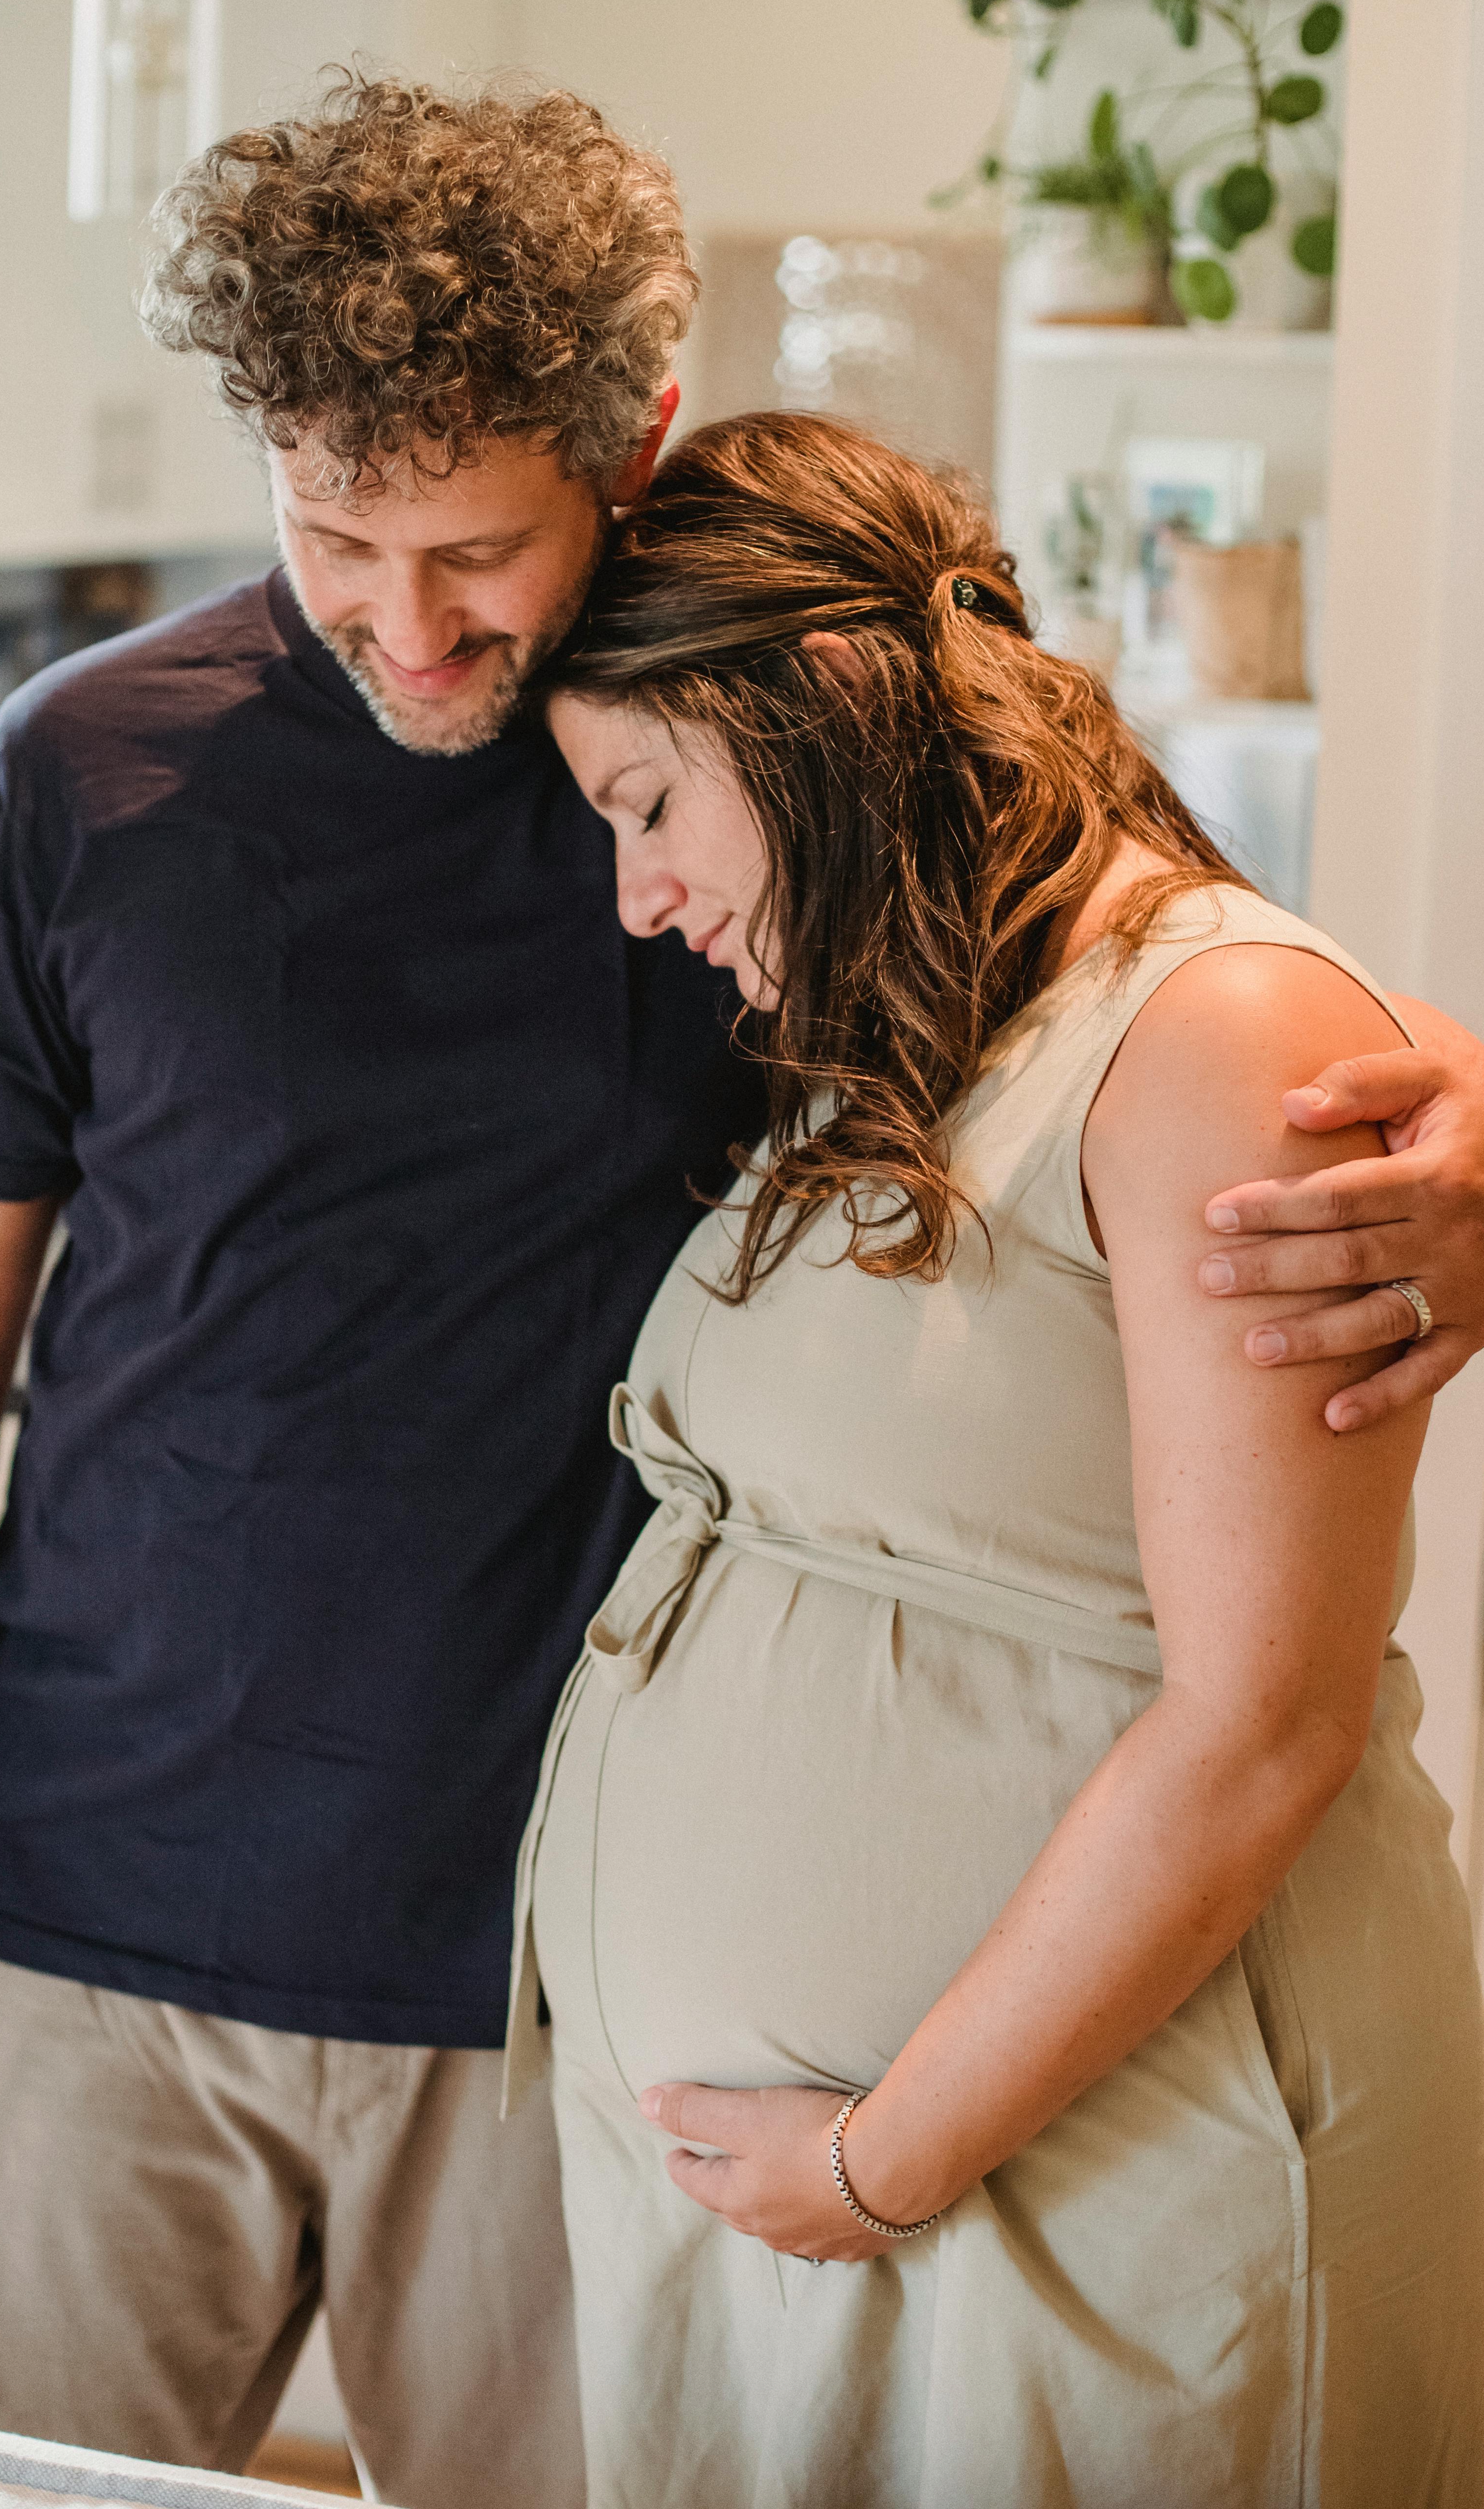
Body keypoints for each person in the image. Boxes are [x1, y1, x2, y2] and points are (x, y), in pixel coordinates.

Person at [0, 78, 1484, 2496]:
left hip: (555, 1984)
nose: (400, 622)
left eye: (471, 549)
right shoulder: (82, 779)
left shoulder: (747, 759)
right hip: (96, 1905)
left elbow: (1151, 964)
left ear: (636, 448)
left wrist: (1450, 1102)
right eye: (329, 533)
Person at [517, 410, 1484, 2509]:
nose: (639, 889)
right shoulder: (921, 1019)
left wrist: (885, 2153)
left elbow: (1265, 1718)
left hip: (1109, 2165)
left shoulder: (1217, 1030)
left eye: (652, 800)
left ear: (832, 701)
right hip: (891, 2193)